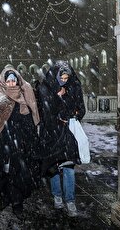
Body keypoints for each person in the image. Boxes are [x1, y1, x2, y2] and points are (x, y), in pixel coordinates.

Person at [0, 67, 41, 218]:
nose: (11, 83)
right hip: (1, 141)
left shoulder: (24, 95)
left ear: (18, 80)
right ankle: (4, 198)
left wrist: (24, 136)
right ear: (4, 81)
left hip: (18, 143)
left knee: (17, 172)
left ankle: (17, 203)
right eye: (8, 80)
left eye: (13, 80)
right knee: (1, 172)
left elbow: (29, 121)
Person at [36, 60, 85, 217]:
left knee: (69, 166)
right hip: (50, 133)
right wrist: (57, 97)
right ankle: (57, 196)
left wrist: (74, 114)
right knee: (54, 166)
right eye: (61, 78)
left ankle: (70, 200)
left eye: (66, 78)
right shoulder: (45, 88)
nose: (64, 81)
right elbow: (45, 111)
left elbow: (80, 108)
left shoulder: (73, 86)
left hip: (67, 132)